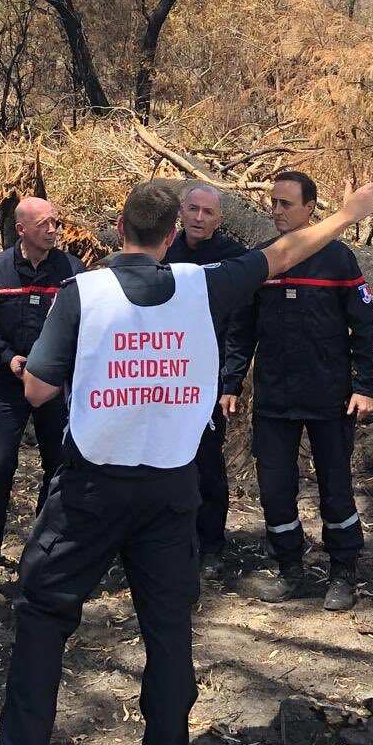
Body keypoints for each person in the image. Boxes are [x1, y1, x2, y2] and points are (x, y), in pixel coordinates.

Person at [0, 174, 373, 745]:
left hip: (93, 487)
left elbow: (38, 390)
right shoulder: (202, 286)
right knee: (167, 626)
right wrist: (353, 210)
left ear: (122, 230)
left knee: (45, 612)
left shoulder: (83, 291)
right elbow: (284, 253)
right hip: (172, 486)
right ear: (171, 235)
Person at [221, 169, 373, 612]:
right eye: (273, 202)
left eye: (286, 203)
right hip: (274, 398)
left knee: (334, 485)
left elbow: (364, 325)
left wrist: (363, 386)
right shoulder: (263, 260)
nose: (276, 210)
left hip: (329, 396)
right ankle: (290, 569)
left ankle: (342, 571)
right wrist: (231, 383)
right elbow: (241, 329)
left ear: (311, 208)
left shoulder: (338, 260)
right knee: (274, 488)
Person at [0, 198, 85, 577]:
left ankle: (48, 547)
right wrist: (8, 358)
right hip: (7, 387)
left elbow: (86, 326)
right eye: (44, 224)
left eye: (56, 223)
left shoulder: (71, 271)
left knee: (58, 467)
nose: (53, 230)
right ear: (21, 230)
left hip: (55, 388)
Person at [163, 184, 248, 577]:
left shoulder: (232, 258)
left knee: (207, 463)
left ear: (219, 219)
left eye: (207, 212)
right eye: (193, 209)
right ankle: (169, 542)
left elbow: (239, 326)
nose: (198, 218)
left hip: (208, 379)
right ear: (181, 211)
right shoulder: (165, 251)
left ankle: (212, 545)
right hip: (162, 375)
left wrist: (230, 382)